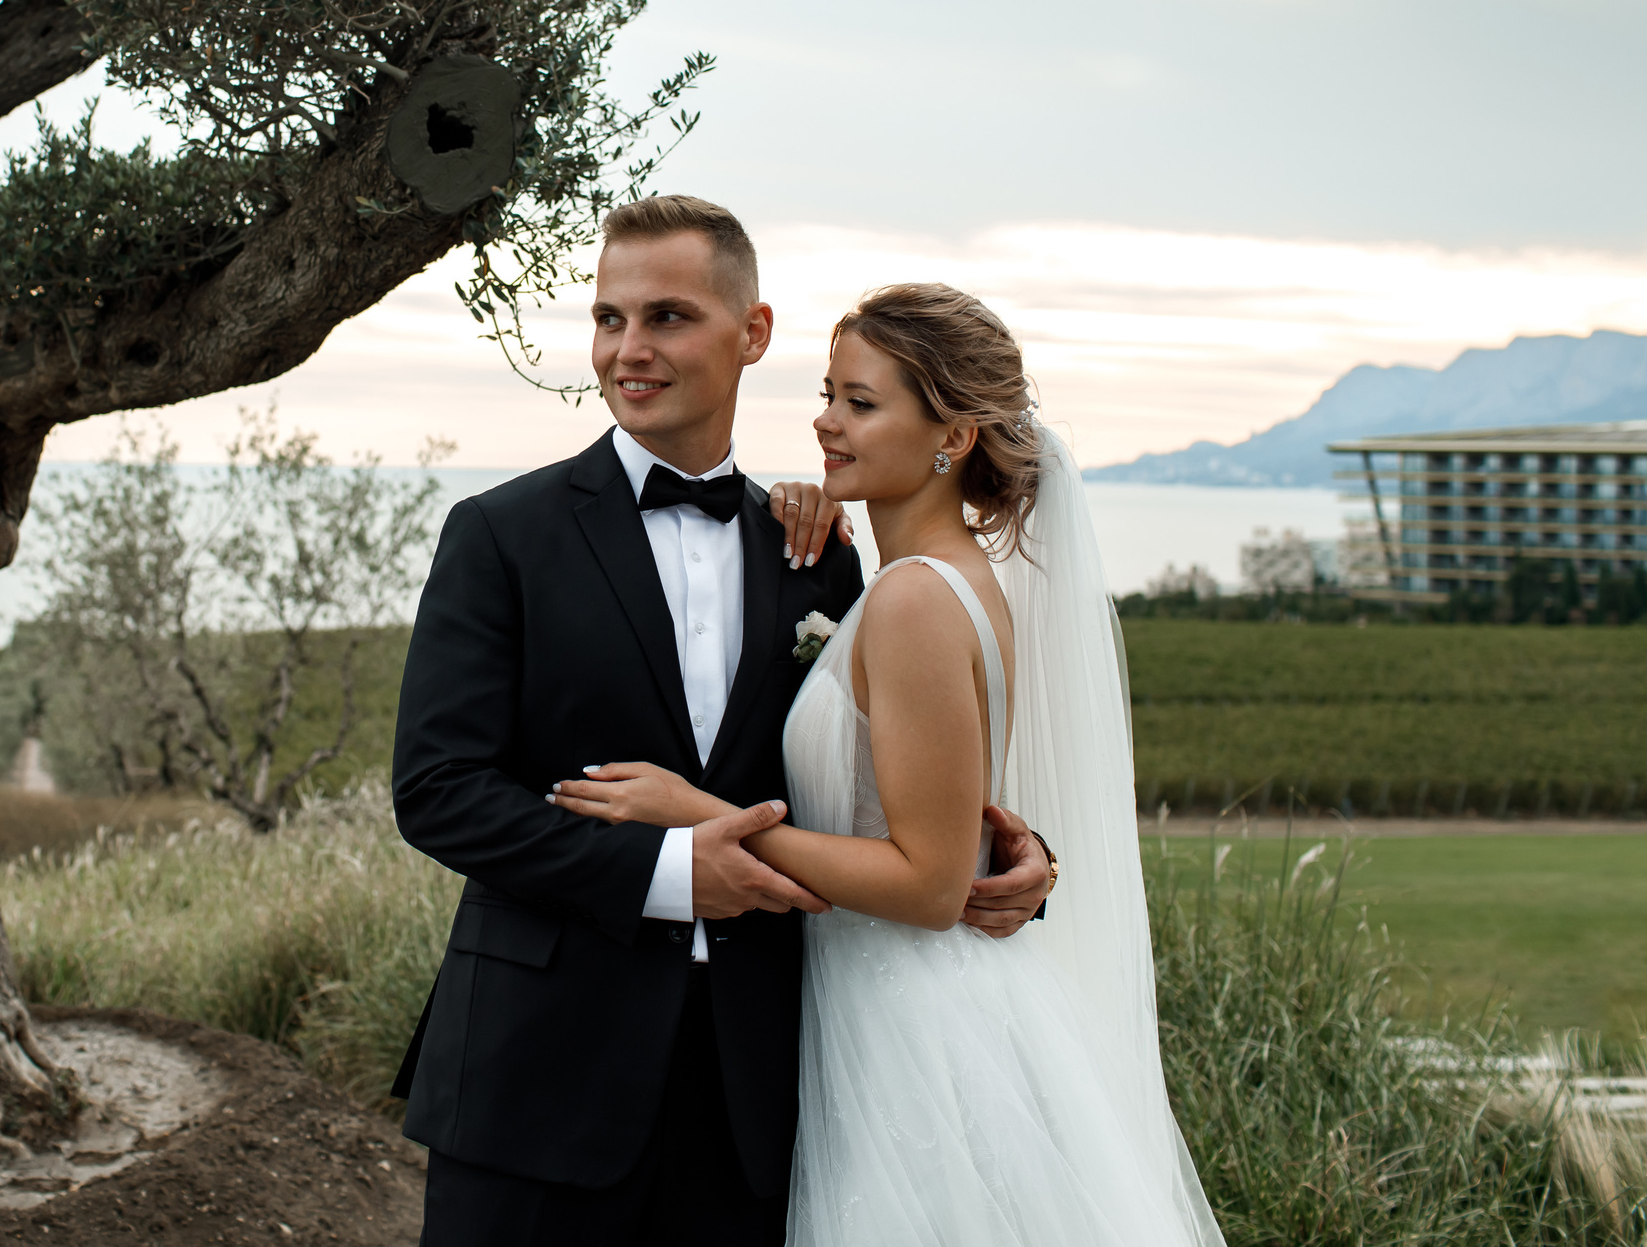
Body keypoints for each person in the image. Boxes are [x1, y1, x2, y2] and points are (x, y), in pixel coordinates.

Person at [390, 202, 1056, 1247]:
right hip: (536, 1079)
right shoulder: (499, 536)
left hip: (764, 1090)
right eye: (608, 318)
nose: (628, 350)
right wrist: (665, 869)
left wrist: (1001, 848)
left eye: (666, 317)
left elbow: (875, 779)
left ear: (750, 335)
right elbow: (436, 794)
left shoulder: (818, 552)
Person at [551, 284, 1226, 1247]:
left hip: (914, 1030)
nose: (826, 422)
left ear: (951, 434)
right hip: (889, 1001)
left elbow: (929, 879)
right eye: (829, 394)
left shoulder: (914, 600)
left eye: (861, 404)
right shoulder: (928, 580)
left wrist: (699, 811)